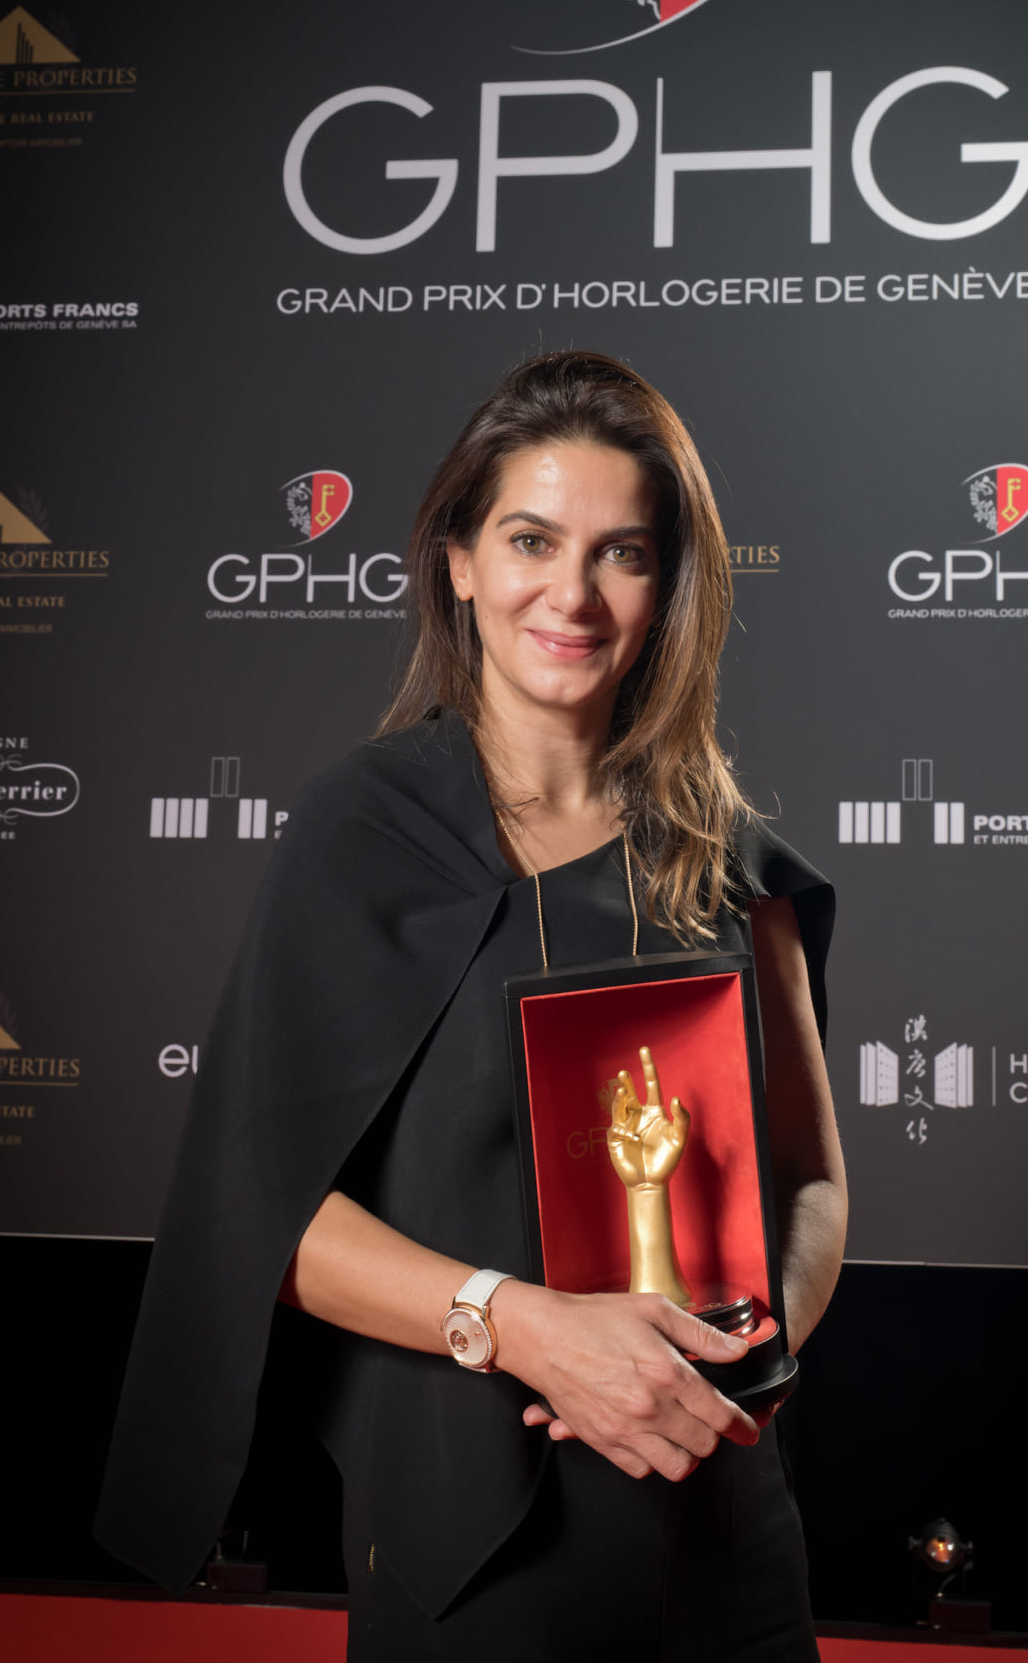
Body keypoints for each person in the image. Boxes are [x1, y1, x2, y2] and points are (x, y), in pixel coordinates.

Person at [95, 351, 847, 1660]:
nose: (573, 593)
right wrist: (525, 1327)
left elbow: (815, 1183)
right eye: (530, 540)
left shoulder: (724, 854)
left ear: (669, 585)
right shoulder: (359, 833)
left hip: (719, 1521)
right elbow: (261, 1219)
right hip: (471, 1541)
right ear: (457, 560)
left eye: (622, 554)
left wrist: (743, 1353)